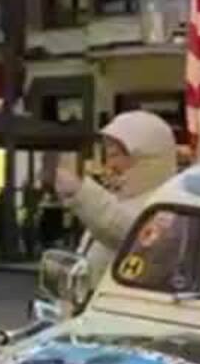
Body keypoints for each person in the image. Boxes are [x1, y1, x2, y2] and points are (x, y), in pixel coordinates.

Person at [49, 111, 179, 287]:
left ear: (144, 158)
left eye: (115, 155)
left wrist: (81, 193)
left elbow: (130, 233)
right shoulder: (120, 199)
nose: (109, 165)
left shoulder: (168, 206)